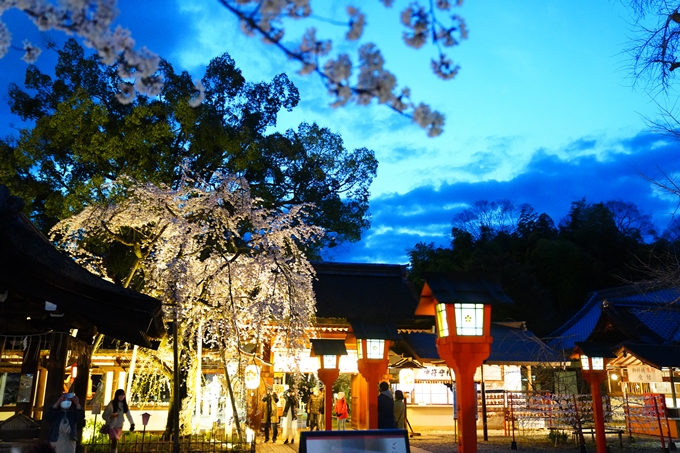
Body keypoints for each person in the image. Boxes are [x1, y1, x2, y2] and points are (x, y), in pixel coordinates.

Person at [102, 389, 135, 453]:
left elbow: (128, 415)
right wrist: (111, 416)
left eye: (123, 395)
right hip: (111, 425)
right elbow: (104, 415)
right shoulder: (111, 404)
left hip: (119, 426)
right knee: (114, 440)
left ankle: (113, 451)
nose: (121, 397)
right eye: (119, 395)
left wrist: (132, 424)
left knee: (116, 441)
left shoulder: (124, 405)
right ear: (116, 396)